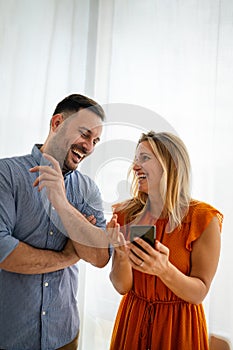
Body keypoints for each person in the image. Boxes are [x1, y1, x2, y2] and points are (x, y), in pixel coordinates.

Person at [0, 94, 110, 350]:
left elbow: (100, 256)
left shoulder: (88, 190)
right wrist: (69, 256)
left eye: (95, 141)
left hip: (64, 335)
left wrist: (61, 203)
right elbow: (3, 251)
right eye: (85, 134)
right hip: (9, 336)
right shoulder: (6, 175)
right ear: (57, 123)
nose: (89, 147)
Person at [107, 131, 223, 350]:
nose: (134, 166)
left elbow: (199, 292)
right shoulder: (125, 214)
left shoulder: (203, 220)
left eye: (144, 158)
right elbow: (122, 286)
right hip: (132, 322)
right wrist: (120, 254)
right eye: (135, 158)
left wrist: (164, 270)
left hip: (179, 329)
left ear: (171, 165)